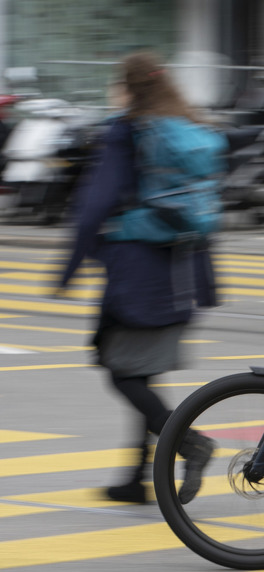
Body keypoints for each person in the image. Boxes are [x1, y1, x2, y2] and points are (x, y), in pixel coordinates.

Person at [55, 51, 219, 504]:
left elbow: (94, 204)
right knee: (139, 370)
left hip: (135, 275)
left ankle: (190, 443)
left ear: (127, 88)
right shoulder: (185, 127)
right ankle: (135, 477)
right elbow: (201, 213)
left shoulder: (128, 131)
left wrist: (67, 269)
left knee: (121, 373)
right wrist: (206, 286)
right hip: (179, 274)